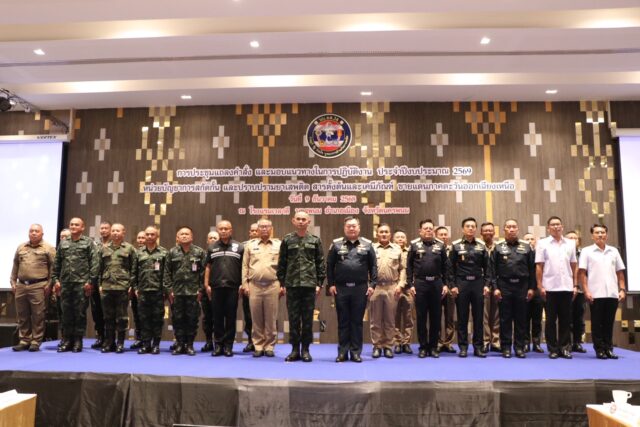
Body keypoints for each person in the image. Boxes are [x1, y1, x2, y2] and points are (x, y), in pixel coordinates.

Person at [277, 210, 325, 362]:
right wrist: (282, 283)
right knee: (293, 319)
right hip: (292, 285)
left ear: (308, 222)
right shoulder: (287, 240)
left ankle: (305, 350)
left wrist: (319, 284)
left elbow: (320, 263)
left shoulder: (315, 240)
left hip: (309, 285)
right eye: (298, 219)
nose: (301, 221)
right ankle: (294, 350)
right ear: (293, 221)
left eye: (304, 219)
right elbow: (282, 263)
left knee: (307, 319)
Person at [327, 216, 377, 363]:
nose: (351, 228)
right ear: (344, 228)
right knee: (343, 321)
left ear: (359, 228)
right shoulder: (336, 244)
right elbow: (329, 266)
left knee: (356, 322)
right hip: (341, 288)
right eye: (348, 226)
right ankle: (342, 352)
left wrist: (372, 285)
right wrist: (331, 284)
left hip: (360, 289)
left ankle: (355, 352)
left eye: (354, 226)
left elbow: (373, 266)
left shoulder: (367, 244)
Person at [578, 224, 626, 359]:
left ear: (607, 234)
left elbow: (620, 272)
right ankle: (599, 349)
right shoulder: (586, 251)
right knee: (597, 323)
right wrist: (586, 291)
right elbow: (582, 273)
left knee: (609, 323)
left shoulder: (613, 251)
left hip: (612, 293)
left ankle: (608, 348)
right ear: (592, 236)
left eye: (603, 232)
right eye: (597, 232)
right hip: (595, 293)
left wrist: (622, 289)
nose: (600, 235)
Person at [52, 217, 98, 352]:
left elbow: (95, 263)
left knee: (79, 313)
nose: (73, 226)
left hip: (82, 284)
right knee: (66, 313)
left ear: (82, 227)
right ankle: (67, 340)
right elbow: (57, 263)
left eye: (76, 225)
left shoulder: (88, 243)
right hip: (65, 284)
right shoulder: (63, 243)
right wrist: (55, 280)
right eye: (71, 224)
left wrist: (90, 282)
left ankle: (78, 340)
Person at [490, 219, 535, 358]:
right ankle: (506, 347)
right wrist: (495, 288)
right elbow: (492, 270)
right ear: (504, 230)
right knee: (505, 319)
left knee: (521, 319)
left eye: (514, 227)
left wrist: (531, 288)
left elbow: (532, 269)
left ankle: (519, 347)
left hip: (522, 286)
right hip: (504, 286)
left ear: (518, 229)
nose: (511, 229)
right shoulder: (498, 247)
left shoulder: (526, 247)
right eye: (508, 227)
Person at [405, 219, 449, 358]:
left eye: (431, 228)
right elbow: (409, 267)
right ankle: (423, 347)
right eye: (426, 228)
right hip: (420, 284)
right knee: (421, 317)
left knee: (436, 317)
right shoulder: (414, 245)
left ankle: (433, 347)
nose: (428, 230)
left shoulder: (440, 245)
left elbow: (446, 267)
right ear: (420, 231)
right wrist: (410, 284)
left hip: (436, 284)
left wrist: (445, 284)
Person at [535, 216, 577, 359]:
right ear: (548, 228)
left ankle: (564, 348)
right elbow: (539, 266)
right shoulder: (542, 243)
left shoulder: (570, 243)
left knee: (566, 319)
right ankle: (552, 349)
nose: (556, 227)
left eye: (558, 224)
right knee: (550, 320)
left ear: (562, 226)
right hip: (549, 287)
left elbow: (574, 265)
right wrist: (540, 285)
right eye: (553, 225)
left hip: (567, 287)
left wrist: (575, 285)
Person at [9, 224, 56, 352]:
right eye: (31, 231)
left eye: (36, 231)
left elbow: (53, 268)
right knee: (22, 314)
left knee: (38, 315)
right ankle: (24, 340)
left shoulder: (48, 248)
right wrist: (13, 281)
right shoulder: (21, 247)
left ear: (42, 234)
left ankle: (36, 341)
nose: (34, 233)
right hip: (21, 285)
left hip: (39, 285)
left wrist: (49, 284)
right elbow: (15, 265)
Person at [449, 217, 490, 358]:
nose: (471, 228)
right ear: (463, 229)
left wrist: (487, 285)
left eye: (473, 226)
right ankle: (463, 347)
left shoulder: (481, 246)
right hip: (462, 284)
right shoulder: (456, 246)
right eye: (468, 226)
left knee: (478, 318)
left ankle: (478, 347)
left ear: (476, 229)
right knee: (462, 317)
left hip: (478, 284)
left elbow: (488, 268)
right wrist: (453, 286)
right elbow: (450, 268)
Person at [241, 219, 282, 357]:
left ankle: (269, 346)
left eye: (267, 226)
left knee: (271, 318)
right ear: (257, 229)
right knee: (256, 318)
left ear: (271, 229)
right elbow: (245, 266)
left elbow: (284, 266)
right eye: (261, 227)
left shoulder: (279, 244)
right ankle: (258, 346)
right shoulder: (250, 245)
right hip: (254, 286)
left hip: (273, 285)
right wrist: (245, 284)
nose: (264, 229)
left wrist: (283, 284)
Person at [204, 220, 244, 357]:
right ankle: (218, 345)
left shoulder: (239, 247)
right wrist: (206, 284)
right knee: (217, 318)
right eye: (221, 229)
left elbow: (244, 268)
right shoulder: (212, 247)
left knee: (231, 318)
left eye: (226, 228)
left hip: (233, 288)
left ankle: (228, 346)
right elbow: (208, 267)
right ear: (218, 230)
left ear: (231, 230)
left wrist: (242, 284)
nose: (223, 231)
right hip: (216, 287)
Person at [164, 226, 205, 356]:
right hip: (177, 293)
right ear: (177, 237)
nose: (184, 236)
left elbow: (203, 273)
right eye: (181, 234)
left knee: (192, 319)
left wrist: (200, 290)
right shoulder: (171, 252)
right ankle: (180, 344)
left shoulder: (199, 252)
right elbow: (167, 272)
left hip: (193, 293)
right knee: (177, 319)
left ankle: (190, 345)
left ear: (192, 237)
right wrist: (169, 290)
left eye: (187, 234)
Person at [97, 223, 137, 353]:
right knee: (108, 317)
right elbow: (99, 268)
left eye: (117, 231)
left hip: (122, 287)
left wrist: (132, 285)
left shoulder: (129, 249)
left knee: (121, 317)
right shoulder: (103, 249)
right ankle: (110, 343)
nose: (115, 233)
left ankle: (120, 343)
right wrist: (100, 285)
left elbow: (134, 269)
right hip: (107, 287)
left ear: (123, 233)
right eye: (113, 230)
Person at [131, 225, 167, 355]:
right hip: (143, 291)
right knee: (144, 318)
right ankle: (146, 345)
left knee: (157, 319)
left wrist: (165, 290)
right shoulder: (138, 253)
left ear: (157, 236)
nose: (150, 237)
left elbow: (167, 273)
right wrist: (135, 288)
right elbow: (134, 272)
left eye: (152, 234)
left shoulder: (164, 252)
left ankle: (156, 345)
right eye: (147, 234)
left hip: (158, 291)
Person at [370, 223, 404, 359]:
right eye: (381, 232)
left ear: (390, 234)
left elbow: (403, 269)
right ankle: (377, 346)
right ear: (377, 234)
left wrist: (400, 284)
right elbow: (365, 267)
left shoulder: (397, 249)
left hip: (392, 287)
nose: (384, 234)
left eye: (386, 232)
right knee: (375, 320)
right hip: (376, 287)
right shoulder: (371, 248)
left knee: (390, 319)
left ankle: (388, 346)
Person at [392, 229, 414, 354]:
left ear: (406, 239)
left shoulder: (411, 251)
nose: (400, 239)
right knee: (395, 317)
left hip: (408, 288)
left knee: (408, 317)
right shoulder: (391, 251)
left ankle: (406, 343)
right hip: (394, 287)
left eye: (402, 237)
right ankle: (397, 342)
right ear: (393, 239)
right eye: (398, 237)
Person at [89, 221, 111, 349]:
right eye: (101, 228)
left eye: (106, 228)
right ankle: (100, 337)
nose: (103, 230)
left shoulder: (114, 245)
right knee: (96, 311)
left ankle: (109, 339)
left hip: (109, 283)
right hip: (95, 282)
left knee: (108, 312)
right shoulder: (94, 245)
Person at [435, 226, 456, 353]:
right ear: (436, 236)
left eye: (445, 234)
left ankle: (448, 343)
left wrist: (453, 285)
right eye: (440, 234)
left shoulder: (454, 249)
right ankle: (437, 342)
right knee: (436, 316)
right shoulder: (433, 249)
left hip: (451, 287)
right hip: (437, 287)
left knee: (450, 317)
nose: (443, 237)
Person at [481, 222, 501, 353]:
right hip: (482, 285)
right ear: (481, 233)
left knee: (497, 314)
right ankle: (485, 341)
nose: (488, 232)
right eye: (485, 230)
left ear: (494, 232)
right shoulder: (478, 246)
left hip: (498, 284)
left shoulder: (499, 247)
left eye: (490, 230)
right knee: (485, 314)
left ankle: (495, 341)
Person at [566, 230, 586, 353]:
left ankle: (577, 342)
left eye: (575, 238)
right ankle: (566, 343)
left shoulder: (585, 253)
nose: (573, 240)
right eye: (570, 238)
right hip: (565, 289)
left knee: (579, 317)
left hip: (581, 290)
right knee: (566, 317)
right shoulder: (563, 252)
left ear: (579, 241)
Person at [523, 233, 544, 353]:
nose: (530, 241)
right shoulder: (521, 253)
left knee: (537, 319)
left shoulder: (540, 254)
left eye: (532, 239)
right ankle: (526, 343)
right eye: (527, 239)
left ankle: (536, 343)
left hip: (538, 290)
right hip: (524, 290)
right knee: (525, 318)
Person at [239, 223, 259, 353]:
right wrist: (242, 283)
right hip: (248, 285)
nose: (254, 232)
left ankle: (264, 342)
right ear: (249, 232)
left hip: (263, 285)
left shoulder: (272, 245)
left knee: (263, 316)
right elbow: (240, 266)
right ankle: (251, 341)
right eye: (252, 231)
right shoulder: (242, 246)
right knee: (248, 315)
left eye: (256, 230)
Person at [200, 230, 219, 352]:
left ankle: (218, 342)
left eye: (215, 238)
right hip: (204, 290)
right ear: (207, 241)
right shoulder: (201, 255)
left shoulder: (222, 254)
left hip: (218, 290)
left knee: (218, 317)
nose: (212, 239)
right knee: (207, 317)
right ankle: (208, 342)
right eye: (210, 238)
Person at [128, 230, 146, 350]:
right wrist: (132, 286)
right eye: (139, 238)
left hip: (148, 289)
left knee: (147, 316)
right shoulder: (133, 253)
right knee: (136, 314)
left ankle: (147, 340)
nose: (140, 240)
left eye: (143, 238)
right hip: (135, 289)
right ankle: (139, 339)